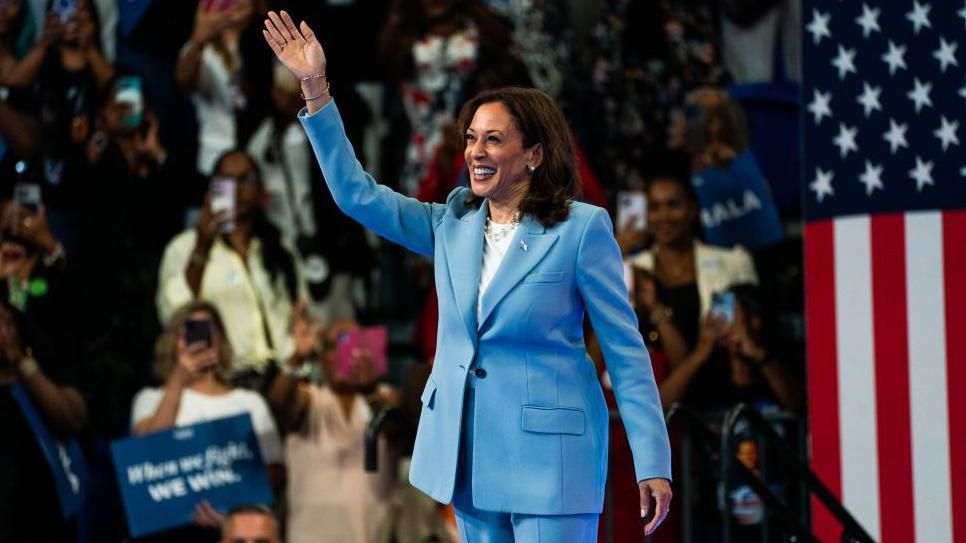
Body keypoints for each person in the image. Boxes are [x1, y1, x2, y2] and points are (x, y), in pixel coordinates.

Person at [263, 11, 672, 541]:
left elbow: (625, 348)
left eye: (493, 139)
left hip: (552, 462)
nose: (476, 152)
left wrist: (651, 460)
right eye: (471, 138)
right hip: (469, 458)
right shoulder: (449, 224)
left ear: (533, 155)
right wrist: (315, 88)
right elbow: (355, 195)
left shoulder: (581, 229)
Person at [131, 301, 284, 543]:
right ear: (173, 341)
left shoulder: (248, 402)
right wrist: (179, 379)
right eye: (189, 331)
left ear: (222, 340)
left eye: (208, 329)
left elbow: (273, 470)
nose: (200, 339)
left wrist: (230, 507)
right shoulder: (150, 399)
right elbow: (146, 457)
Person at [156, 149, 310, 388]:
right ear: (211, 189)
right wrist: (202, 247)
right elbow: (173, 314)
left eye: (245, 180)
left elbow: (301, 315)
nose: (237, 189)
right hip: (221, 380)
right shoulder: (183, 247)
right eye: (226, 181)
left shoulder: (281, 250)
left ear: (261, 190)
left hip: (282, 377)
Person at [268, 318, 397, 543]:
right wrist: (297, 358)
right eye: (334, 345)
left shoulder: (384, 398)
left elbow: (397, 427)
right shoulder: (311, 399)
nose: (343, 353)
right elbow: (280, 403)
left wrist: (370, 389)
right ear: (320, 357)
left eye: (354, 344)